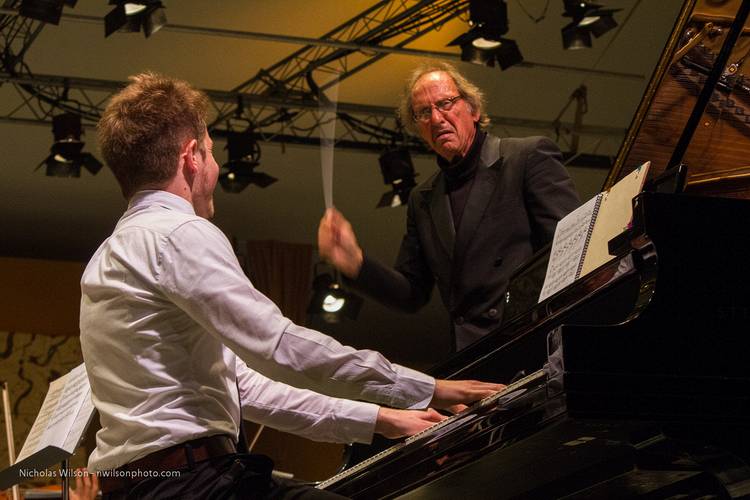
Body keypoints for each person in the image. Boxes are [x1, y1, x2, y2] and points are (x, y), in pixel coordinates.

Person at [79, 72, 502, 500]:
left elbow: (244, 387)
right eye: (210, 152)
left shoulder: (108, 255)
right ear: (190, 157)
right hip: (192, 481)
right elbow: (280, 347)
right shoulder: (179, 234)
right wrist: (428, 389)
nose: (215, 166)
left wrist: (380, 418)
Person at [318, 62, 580, 352]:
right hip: (473, 356)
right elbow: (411, 293)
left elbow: (572, 245)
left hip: (534, 342)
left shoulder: (526, 157)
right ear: (418, 128)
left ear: (474, 110)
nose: (437, 118)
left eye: (445, 103)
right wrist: (356, 263)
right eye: (424, 113)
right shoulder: (423, 199)